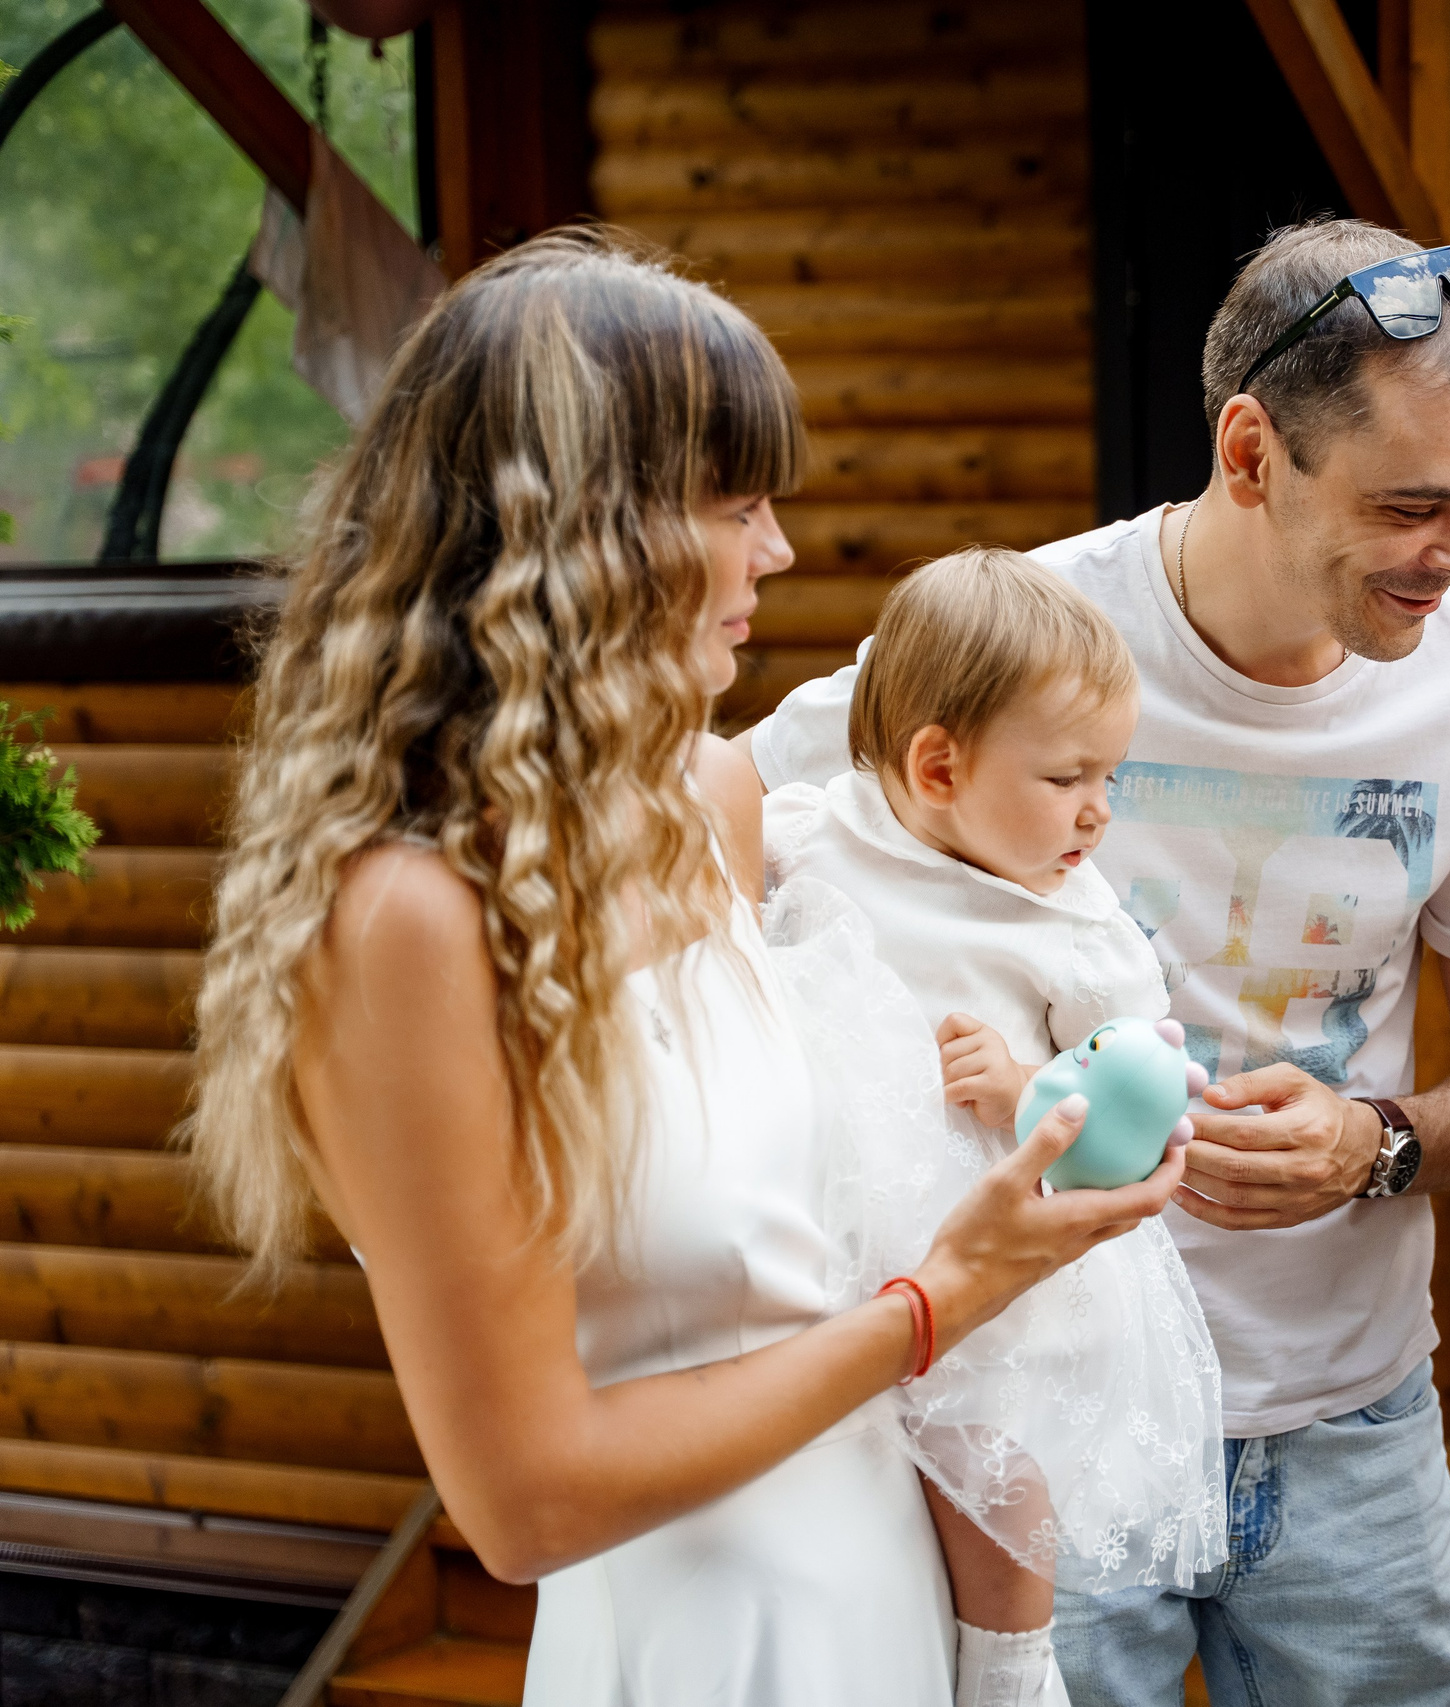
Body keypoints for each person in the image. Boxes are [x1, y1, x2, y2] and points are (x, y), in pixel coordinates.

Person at [184, 231, 1183, 1705]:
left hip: (884, 1587)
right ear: (587, 528)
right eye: (737, 502)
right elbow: (523, 1503)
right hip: (698, 1632)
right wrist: (934, 1303)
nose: (777, 548)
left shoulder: (712, 799)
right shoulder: (409, 917)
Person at [747, 219, 1450, 1704]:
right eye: (1412, 507)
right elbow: (703, 818)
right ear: (1251, 451)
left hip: (1354, 1429)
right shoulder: (1012, 632)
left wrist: (1377, 1144)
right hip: (1042, 1418)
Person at [761, 546, 1226, 1707]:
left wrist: (1025, 1085)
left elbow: (1147, 1099)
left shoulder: (1071, 919)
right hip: (834, 1241)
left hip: (1002, 1267)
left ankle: (1010, 1672)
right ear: (936, 765)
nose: (1098, 815)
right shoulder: (818, 832)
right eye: (1070, 778)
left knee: (995, 1473)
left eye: (1110, 778)